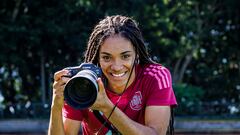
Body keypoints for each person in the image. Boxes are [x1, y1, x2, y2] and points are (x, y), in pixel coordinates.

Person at [48, 15, 177, 135]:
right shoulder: (81, 83)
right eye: (106, 57)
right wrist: (56, 106)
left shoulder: (156, 77)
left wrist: (106, 106)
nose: (116, 66)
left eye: (125, 56)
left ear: (136, 54)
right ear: (97, 57)